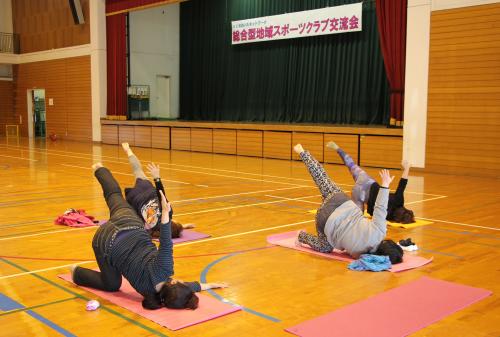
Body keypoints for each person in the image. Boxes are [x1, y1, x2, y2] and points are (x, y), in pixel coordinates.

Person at [71, 163, 227, 310]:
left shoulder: (164, 269)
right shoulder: (149, 294)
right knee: (112, 285)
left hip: (129, 223)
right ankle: (76, 273)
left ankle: (100, 169)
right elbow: (180, 288)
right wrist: (208, 285)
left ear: (173, 282)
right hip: (104, 240)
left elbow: (166, 241)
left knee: (114, 196)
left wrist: (165, 212)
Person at [293, 144, 403, 264]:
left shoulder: (380, 232)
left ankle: (303, 153)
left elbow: (380, 207)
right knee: (325, 247)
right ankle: (301, 236)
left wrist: (385, 185)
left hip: (340, 201)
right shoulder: (360, 256)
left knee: (322, 178)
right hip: (324, 220)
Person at [326, 141, 415, 224]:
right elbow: (374, 215)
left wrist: (407, 168)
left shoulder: (399, 201)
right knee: (358, 219)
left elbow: (402, 184)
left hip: (366, 181)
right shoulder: (387, 216)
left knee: (351, 165)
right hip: (361, 195)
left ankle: (338, 150)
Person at [121, 142, 194, 238]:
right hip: (134, 199)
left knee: (138, 170)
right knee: (133, 214)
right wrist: (182, 227)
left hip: (147, 190)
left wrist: (157, 178)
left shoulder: (168, 212)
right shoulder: (153, 228)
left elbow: (161, 194)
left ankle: (128, 150)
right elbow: (166, 228)